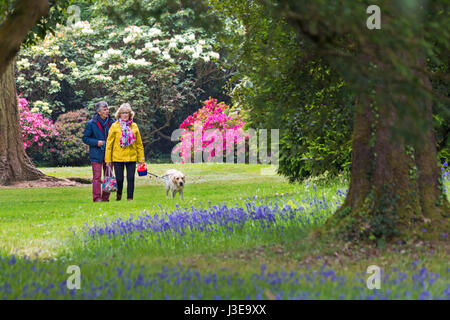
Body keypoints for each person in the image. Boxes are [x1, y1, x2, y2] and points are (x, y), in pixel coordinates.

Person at [105, 103, 145, 201]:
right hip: (118, 157)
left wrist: (141, 159)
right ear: (119, 114)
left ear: (130, 114)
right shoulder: (114, 126)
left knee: (131, 178)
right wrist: (108, 159)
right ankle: (119, 196)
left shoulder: (134, 126)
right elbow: (109, 144)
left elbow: (139, 144)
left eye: (127, 113)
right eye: (123, 113)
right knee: (119, 179)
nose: (125, 115)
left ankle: (130, 198)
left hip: (131, 157)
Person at [82, 101, 115, 202]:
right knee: (97, 177)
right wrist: (97, 142)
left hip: (109, 154)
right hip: (96, 154)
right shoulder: (91, 123)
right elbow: (85, 138)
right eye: (104, 110)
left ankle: (106, 198)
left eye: (107, 109)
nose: (107, 111)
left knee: (108, 176)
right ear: (99, 112)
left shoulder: (112, 122)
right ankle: (97, 198)